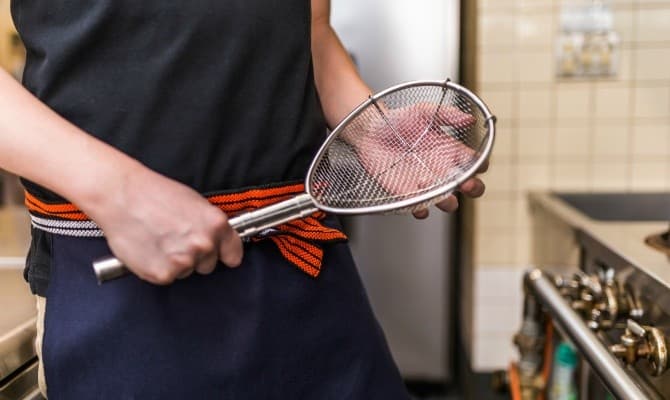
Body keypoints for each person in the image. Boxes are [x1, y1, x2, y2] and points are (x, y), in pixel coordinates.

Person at [0, 1, 487, 398]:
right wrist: (116, 190)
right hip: (123, 281)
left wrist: (364, 120)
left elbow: (309, 26)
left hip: (306, 269)